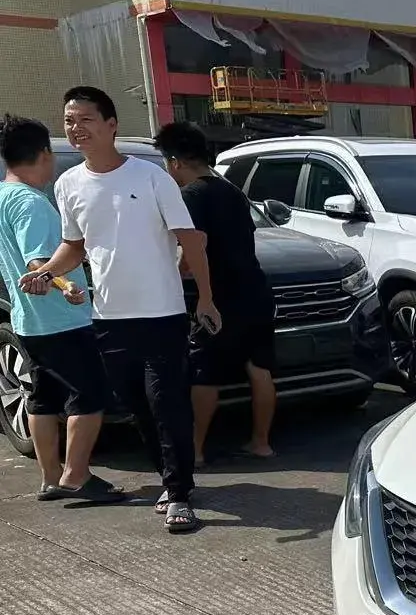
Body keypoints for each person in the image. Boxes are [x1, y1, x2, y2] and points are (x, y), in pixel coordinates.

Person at [21, 86, 220, 534]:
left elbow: (190, 240)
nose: (76, 128)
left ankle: (180, 492)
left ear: (112, 124)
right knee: (136, 406)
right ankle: (169, 479)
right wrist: (47, 272)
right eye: (69, 120)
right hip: (109, 316)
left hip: (162, 313)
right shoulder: (69, 185)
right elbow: (75, 247)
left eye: (86, 119)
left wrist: (205, 298)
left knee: (166, 403)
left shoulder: (151, 177)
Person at [0, 115, 124, 503]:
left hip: (27, 320)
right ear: (43, 154)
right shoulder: (30, 204)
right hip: (61, 320)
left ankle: (51, 476)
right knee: (88, 396)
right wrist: (68, 285)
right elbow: (38, 260)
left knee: (42, 397)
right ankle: (77, 475)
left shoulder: (2, 195)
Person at [152, 122, 276, 464]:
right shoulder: (233, 191)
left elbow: (197, 246)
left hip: (221, 297)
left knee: (204, 370)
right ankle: (261, 442)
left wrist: (173, 273)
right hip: (256, 289)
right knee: (258, 368)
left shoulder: (192, 194)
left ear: (175, 161)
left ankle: (195, 450)